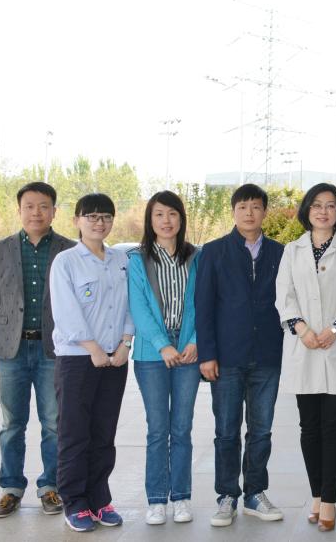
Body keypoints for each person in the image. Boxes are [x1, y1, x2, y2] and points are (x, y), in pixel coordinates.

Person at [0, 181, 75, 518]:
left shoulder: (68, 249)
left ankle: (50, 487)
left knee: (54, 423)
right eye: (29, 206)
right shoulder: (0, 249)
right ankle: (11, 488)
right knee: (12, 424)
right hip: (11, 349)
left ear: (54, 211)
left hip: (53, 350)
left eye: (43, 206)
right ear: (20, 210)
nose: (36, 212)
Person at [276, 183, 336, 533]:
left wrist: (335, 329)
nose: (323, 211)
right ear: (307, 211)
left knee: (335, 425)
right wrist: (301, 328)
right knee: (309, 427)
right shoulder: (292, 250)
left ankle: (329, 500)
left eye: (330, 205)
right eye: (316, 205)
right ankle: (316, 494)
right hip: (304, 346)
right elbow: (283, 295)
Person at [195, 183, 285, 527]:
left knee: (261, 431)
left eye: (256, 207)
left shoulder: (280, 253)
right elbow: (203, 307)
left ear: (265, 212)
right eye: (243, 207)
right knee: (226, 432)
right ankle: (227, 495)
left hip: (267, 356)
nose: (249, 213)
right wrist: (207, 355)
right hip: (227, 357)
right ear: (233, 211)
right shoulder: (213, 251)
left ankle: (255, 493)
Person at [49, 193, 134, 532]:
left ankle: (99, 498)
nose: (100, 223)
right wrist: (93, 348)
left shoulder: (120, 260)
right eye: (92, 216)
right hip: (78, 360)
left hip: (116, 357)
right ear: (77, 220)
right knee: (74, 432)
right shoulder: (66, 261)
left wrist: (126, 343)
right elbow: (66, 310)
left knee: (103, 432)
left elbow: (130, 304)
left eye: (106, 217)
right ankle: (74, 502)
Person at [128, 190, 202, 525]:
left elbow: (205, 302)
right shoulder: (137, 259)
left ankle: (182, 497)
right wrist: (162, 345)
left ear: (181, 219)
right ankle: (157, 499)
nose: (166, 220)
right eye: (159, 214)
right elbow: (139, 308)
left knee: (182, 428)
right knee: (158, 429)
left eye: (172, 214)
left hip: (188, 352)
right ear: (150, 219)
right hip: (151, 355)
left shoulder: (197, 257)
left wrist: (195, 341)